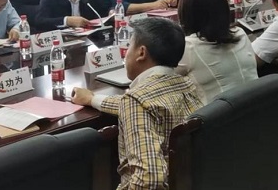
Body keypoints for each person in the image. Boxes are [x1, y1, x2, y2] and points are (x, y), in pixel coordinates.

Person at [71, 18, 202, 190]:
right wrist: (92, 99)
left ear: (141, 53)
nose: (126, 54)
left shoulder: (136, 102)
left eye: (128, 46)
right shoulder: (186, 85)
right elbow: (142, 103)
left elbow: (149, 181)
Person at [176, 0, 258, 104]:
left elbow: (162, 79)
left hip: (221, 115)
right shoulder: (240, 33)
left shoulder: (189, 47)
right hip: (257, 108)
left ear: (186, 10)